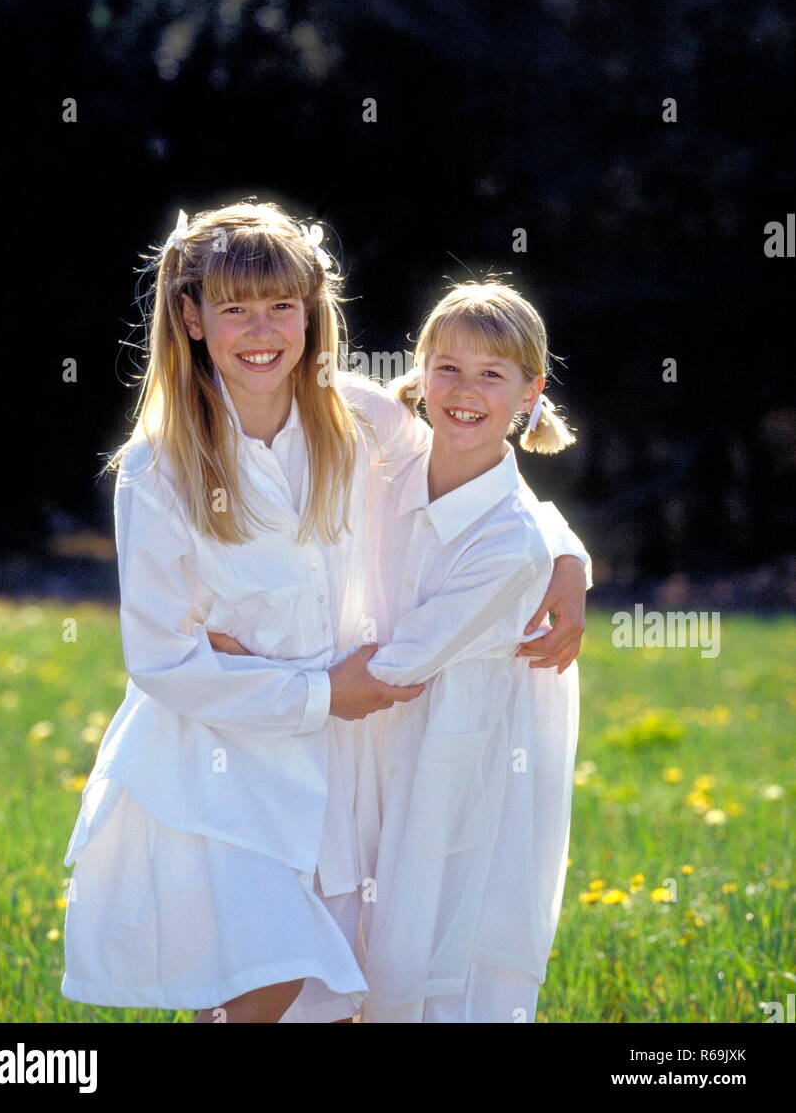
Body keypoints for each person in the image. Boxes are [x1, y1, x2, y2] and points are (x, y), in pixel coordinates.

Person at [61, 202, 586, 1023]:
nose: (261, 330)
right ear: (192, 319)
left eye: (282, 306)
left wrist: (563, 552)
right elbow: (163, 664)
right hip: (216, 763)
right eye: (234, 309)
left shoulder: (355, 413)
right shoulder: (158, 467)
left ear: (311, 313)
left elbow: (471, 477)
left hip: (336, 768)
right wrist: (318, 692)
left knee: (325, 1004)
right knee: (265, 980)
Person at [351, 281, 589, 1022]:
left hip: (451, 756)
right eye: (446, 367)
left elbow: (395, 669)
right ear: (418, 372)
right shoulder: (386, 452)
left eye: (493, 374)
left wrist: (248, 673)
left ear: (530, 393)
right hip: (368, 739)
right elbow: (290, 373)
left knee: (420, 952)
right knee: (351, 940)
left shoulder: (513, 545)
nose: (464, 390)